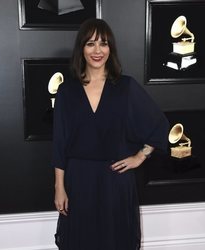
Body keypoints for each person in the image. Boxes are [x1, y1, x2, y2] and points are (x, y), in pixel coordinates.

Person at [51, 18, 169, 250]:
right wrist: (59, 186)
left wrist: (140, 156)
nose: (97, 50)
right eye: (91, 43)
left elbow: (158, 125)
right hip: (79, 182)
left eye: (103, 44)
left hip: (115, 182)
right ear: (81, 49)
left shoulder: (125, 87)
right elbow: (60, 142)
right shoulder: (67, 91)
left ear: (110, 49)